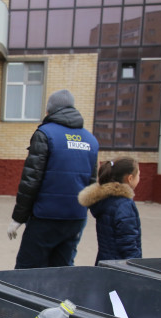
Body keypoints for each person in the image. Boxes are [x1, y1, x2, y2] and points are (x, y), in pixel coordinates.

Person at [7, 89, 99, 269]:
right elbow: (92, 183)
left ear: (49, 110)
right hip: (76, 219)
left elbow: (31, 181)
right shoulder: (91, 140)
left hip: (45, 217)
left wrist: (18, 218)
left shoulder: (45, 134)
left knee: (27, 272)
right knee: (62, 271)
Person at [78, 158, 142, 265]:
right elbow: (128, 244)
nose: (139, 178)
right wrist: (136, 266)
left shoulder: (105, 199)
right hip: (121, 267)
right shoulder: (124, 205)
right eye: (139, 175)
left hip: (104, 262)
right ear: (130, 178)